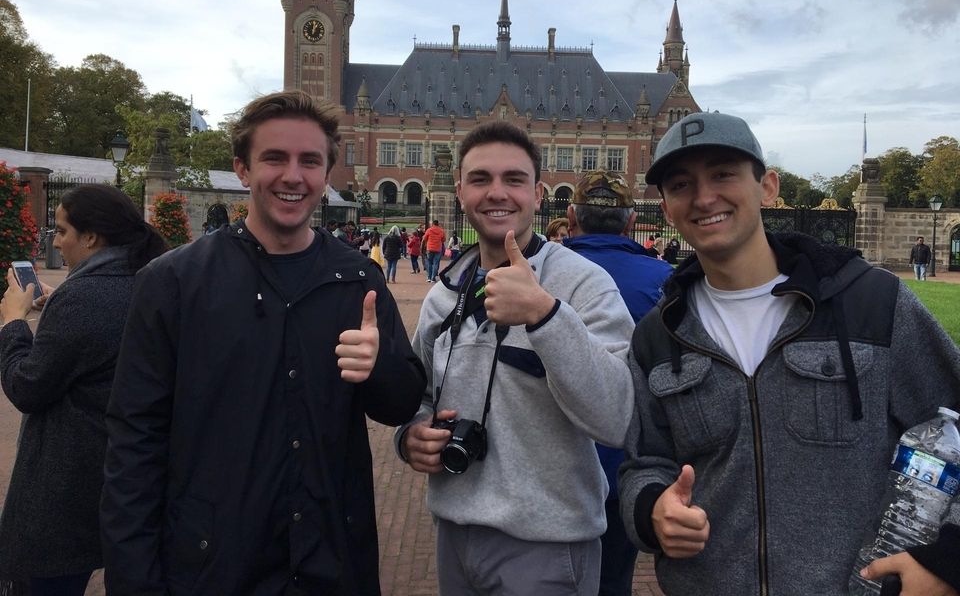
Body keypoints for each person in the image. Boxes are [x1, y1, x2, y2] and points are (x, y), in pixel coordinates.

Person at [617, 112, 960, 595]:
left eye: (723, 174)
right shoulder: (659, 334)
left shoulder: (871, 303)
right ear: (667, 209)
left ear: (768, 187)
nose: (704, 197)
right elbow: (644, 461)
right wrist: (651, 508)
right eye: (680, 184)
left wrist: (947, 560)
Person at [101, 90, 426, 595]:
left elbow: (401, 401)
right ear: (243, 170)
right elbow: (133, 443)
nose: (293, 176)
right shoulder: (175, 282)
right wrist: (135, 581)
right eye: (275, 158)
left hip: (331, 561)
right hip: (217, 565)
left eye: (310, 161)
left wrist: (379, 363)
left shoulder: (357, 278)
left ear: (326, 172)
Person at [395, 121, 636, 595]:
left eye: (514, 179)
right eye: (481, 179)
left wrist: (545, 317)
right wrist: (411, 437)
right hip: (454, 534)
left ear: (538, 192)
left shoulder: (583, 284)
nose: (497, 193)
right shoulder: (444, 294)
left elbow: (617, 419)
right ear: (459, 190)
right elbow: (419, 395)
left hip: (547, 547)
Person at [0, 185, 166, 595]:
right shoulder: (143, 278)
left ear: (91, 237)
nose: (55, 242)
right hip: (115, 471)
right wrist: (57, 306)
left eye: (61, 231)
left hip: (64, 481)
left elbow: (27, 386)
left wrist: (13, 323)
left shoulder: (85, 296)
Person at [564, 170, 674, 596]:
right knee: (612, 579)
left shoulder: (532, 274)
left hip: (549, 467)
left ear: (570, 218)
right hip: (624, 461)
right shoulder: (664, 280)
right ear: (631, 222)